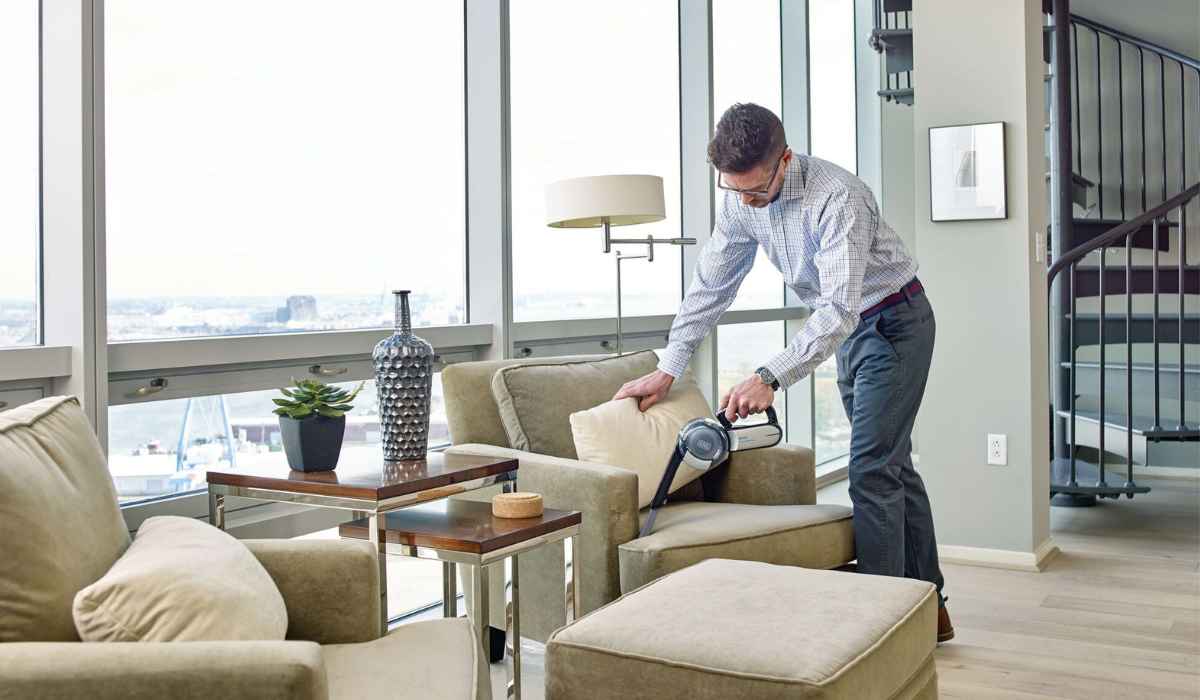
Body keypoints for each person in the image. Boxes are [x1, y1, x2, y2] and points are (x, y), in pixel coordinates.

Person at [613, 103, 953, 642]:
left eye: (754, 190)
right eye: (733, 190)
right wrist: (668, 367)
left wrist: (769, 376)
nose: (745, 201)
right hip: (849, 331)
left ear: (784, 160)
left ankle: (880, 629)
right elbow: (712, 285)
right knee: (892, 466)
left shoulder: (839, 197)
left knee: (870, 469)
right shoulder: (741, 199)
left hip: (892, 322)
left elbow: (839, 310)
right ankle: (929, 607)